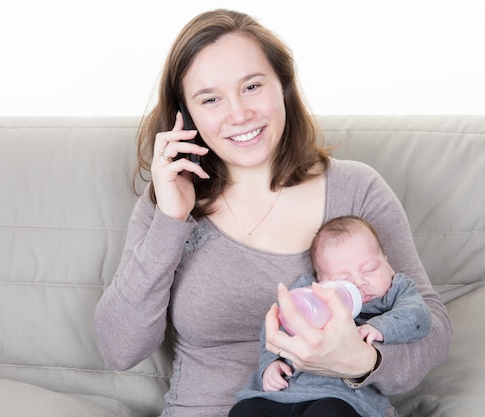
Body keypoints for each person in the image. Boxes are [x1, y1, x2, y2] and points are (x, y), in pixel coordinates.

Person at [94, 8, 452, 417]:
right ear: (186, 116)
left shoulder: (357, 190)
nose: (239, 114)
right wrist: (170, 221)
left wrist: (358, 360)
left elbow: (432, 331)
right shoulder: (169, 201)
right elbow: (120, 348)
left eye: (251, 86)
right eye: (210, 99)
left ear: (282, 84)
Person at [230, 215, 432, 417]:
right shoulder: (310, 293)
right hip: (287, 390)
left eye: (370, 269)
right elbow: (277, 325)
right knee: (245, 411)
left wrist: (380, 327)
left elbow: (419, 317)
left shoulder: (397, 290)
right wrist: (270, 364)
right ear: (320, 281)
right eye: (343, 280)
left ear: (388, 264)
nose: (360, 282)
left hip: (345, 399)